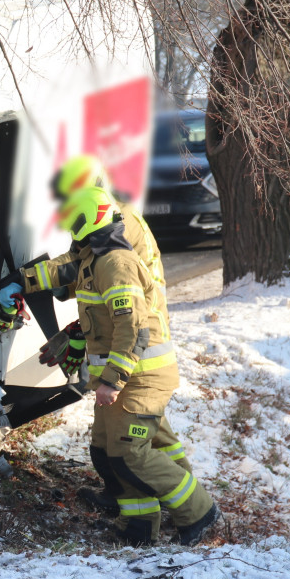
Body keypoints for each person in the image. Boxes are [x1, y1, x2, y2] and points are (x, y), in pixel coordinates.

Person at [0, 155, 188, 513]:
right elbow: (78, 275)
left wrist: (23, 280)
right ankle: (141, 502)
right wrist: (78, 326)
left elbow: (80, 272)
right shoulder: (103, 220)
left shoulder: (119, 223)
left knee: (139, 434)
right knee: (142, 429)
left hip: (138, 342)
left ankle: (187, 505)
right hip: (125, 338)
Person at [38, 186, 218, 545]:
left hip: (140, 376)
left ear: (88, 218)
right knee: (107, 453)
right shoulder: (94, 258)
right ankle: (138, 527)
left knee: (130, 454)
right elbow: (77, 289)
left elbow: (133, 328)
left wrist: (113, 381)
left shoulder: (115, 263)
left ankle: (199, 511)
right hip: (123, 375)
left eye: (73, 217)